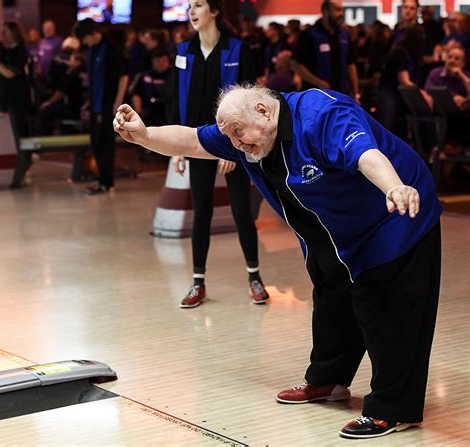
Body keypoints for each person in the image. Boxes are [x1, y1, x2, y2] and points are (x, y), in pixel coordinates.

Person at [114, 84, 442, 439]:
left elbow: (365, 154)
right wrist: (144, 135)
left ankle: (392, 410)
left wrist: (394, 186)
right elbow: (192, 140)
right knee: (332, 298)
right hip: (333, 234)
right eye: (230, 137)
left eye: (239, 133)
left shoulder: (322, 115)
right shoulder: (243, 132)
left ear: (263, 111)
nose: (236, 145)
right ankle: (328, 381)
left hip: (394, 214)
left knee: (385, 308)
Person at [168, 0, 269, 308]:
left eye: (198, 5)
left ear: (213, 11)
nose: (191, 12)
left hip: (232, 144)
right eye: (189, 7)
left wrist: (235, 143)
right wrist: (177, 147)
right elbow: (174, 99)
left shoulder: (238, 50)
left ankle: (254, 277)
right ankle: (198, 282)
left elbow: (249, 100)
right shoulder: (183, 52)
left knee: (241, 212)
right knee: (202, 213)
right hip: (197, 142)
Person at [73, 18, 128, 194]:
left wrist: (117, 102)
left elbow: (123, 76)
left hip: (107, 104)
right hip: (95, 104)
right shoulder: (92, 50)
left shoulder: (111, 49)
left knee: (106, 144)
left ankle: (107, 182)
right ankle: (100, 179)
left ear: (93, 33)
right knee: (96, 142)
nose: (85, 43)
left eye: (85, 38)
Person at [291, 0, 360, 100]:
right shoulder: (309, 35)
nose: (341, 14)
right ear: (325, 11)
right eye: (337, 10)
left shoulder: (344, 35)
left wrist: (356, 93)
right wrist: (318, 82)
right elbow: (295, 64)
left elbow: (351, 65)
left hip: (342, 94)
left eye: (342, 10)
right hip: (315, 96)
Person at [0, 22, 32, 189]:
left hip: (18, 101)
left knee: (20, 139)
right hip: (5, 101)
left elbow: (10, 73)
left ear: (13, 33)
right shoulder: (4, 51)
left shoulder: (20, 51)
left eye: (5, 31)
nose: (2, 34)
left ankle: (21, 171)